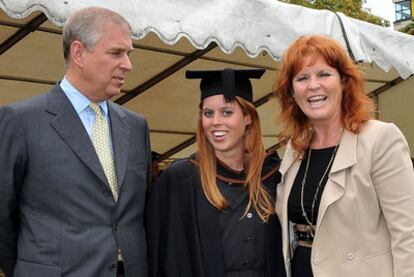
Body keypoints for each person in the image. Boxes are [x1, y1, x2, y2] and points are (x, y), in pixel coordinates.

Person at [0, 6, 151, 277]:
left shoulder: (136, 126)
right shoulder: (21, 121)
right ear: (79, 53)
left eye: (129, 54)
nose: (128, 64)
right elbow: (2, 216)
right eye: (116, 53)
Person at [273, 35, 414, 277]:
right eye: (302, 78)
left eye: (324, 74)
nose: (313, 85)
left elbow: (408, 233)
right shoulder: (295, 148)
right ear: (292, 92)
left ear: (344, 82)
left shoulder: (380, 139)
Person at [146, 68, 286, 277]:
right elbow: (165, 256)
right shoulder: (183, 179)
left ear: (248, 117)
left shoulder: (273, 174)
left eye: (227, 112)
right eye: (208, 113)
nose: (215, 122)